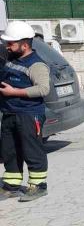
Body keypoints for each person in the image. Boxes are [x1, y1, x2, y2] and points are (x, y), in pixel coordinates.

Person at [0, 21, 51, 202]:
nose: (8, 46)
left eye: (11, 43)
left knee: (32, 150)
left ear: (25, 44)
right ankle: (11, 186)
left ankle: (38, 186)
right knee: (10, 151)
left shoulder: (36, 65)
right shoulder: (11, 59)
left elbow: (44, 89)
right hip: (9, 113)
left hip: (29, 115)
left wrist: (14, 92)